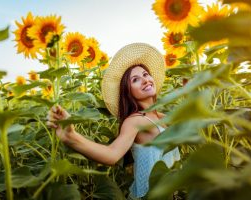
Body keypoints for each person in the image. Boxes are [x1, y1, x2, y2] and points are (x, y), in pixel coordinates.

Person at [46, 43, 180, 199]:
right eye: (135, 80)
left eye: (145, 74)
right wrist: (71, 137)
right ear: (128, 92)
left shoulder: (163, 117)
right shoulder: (135, 120)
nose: (145, 80)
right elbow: (112, 155)